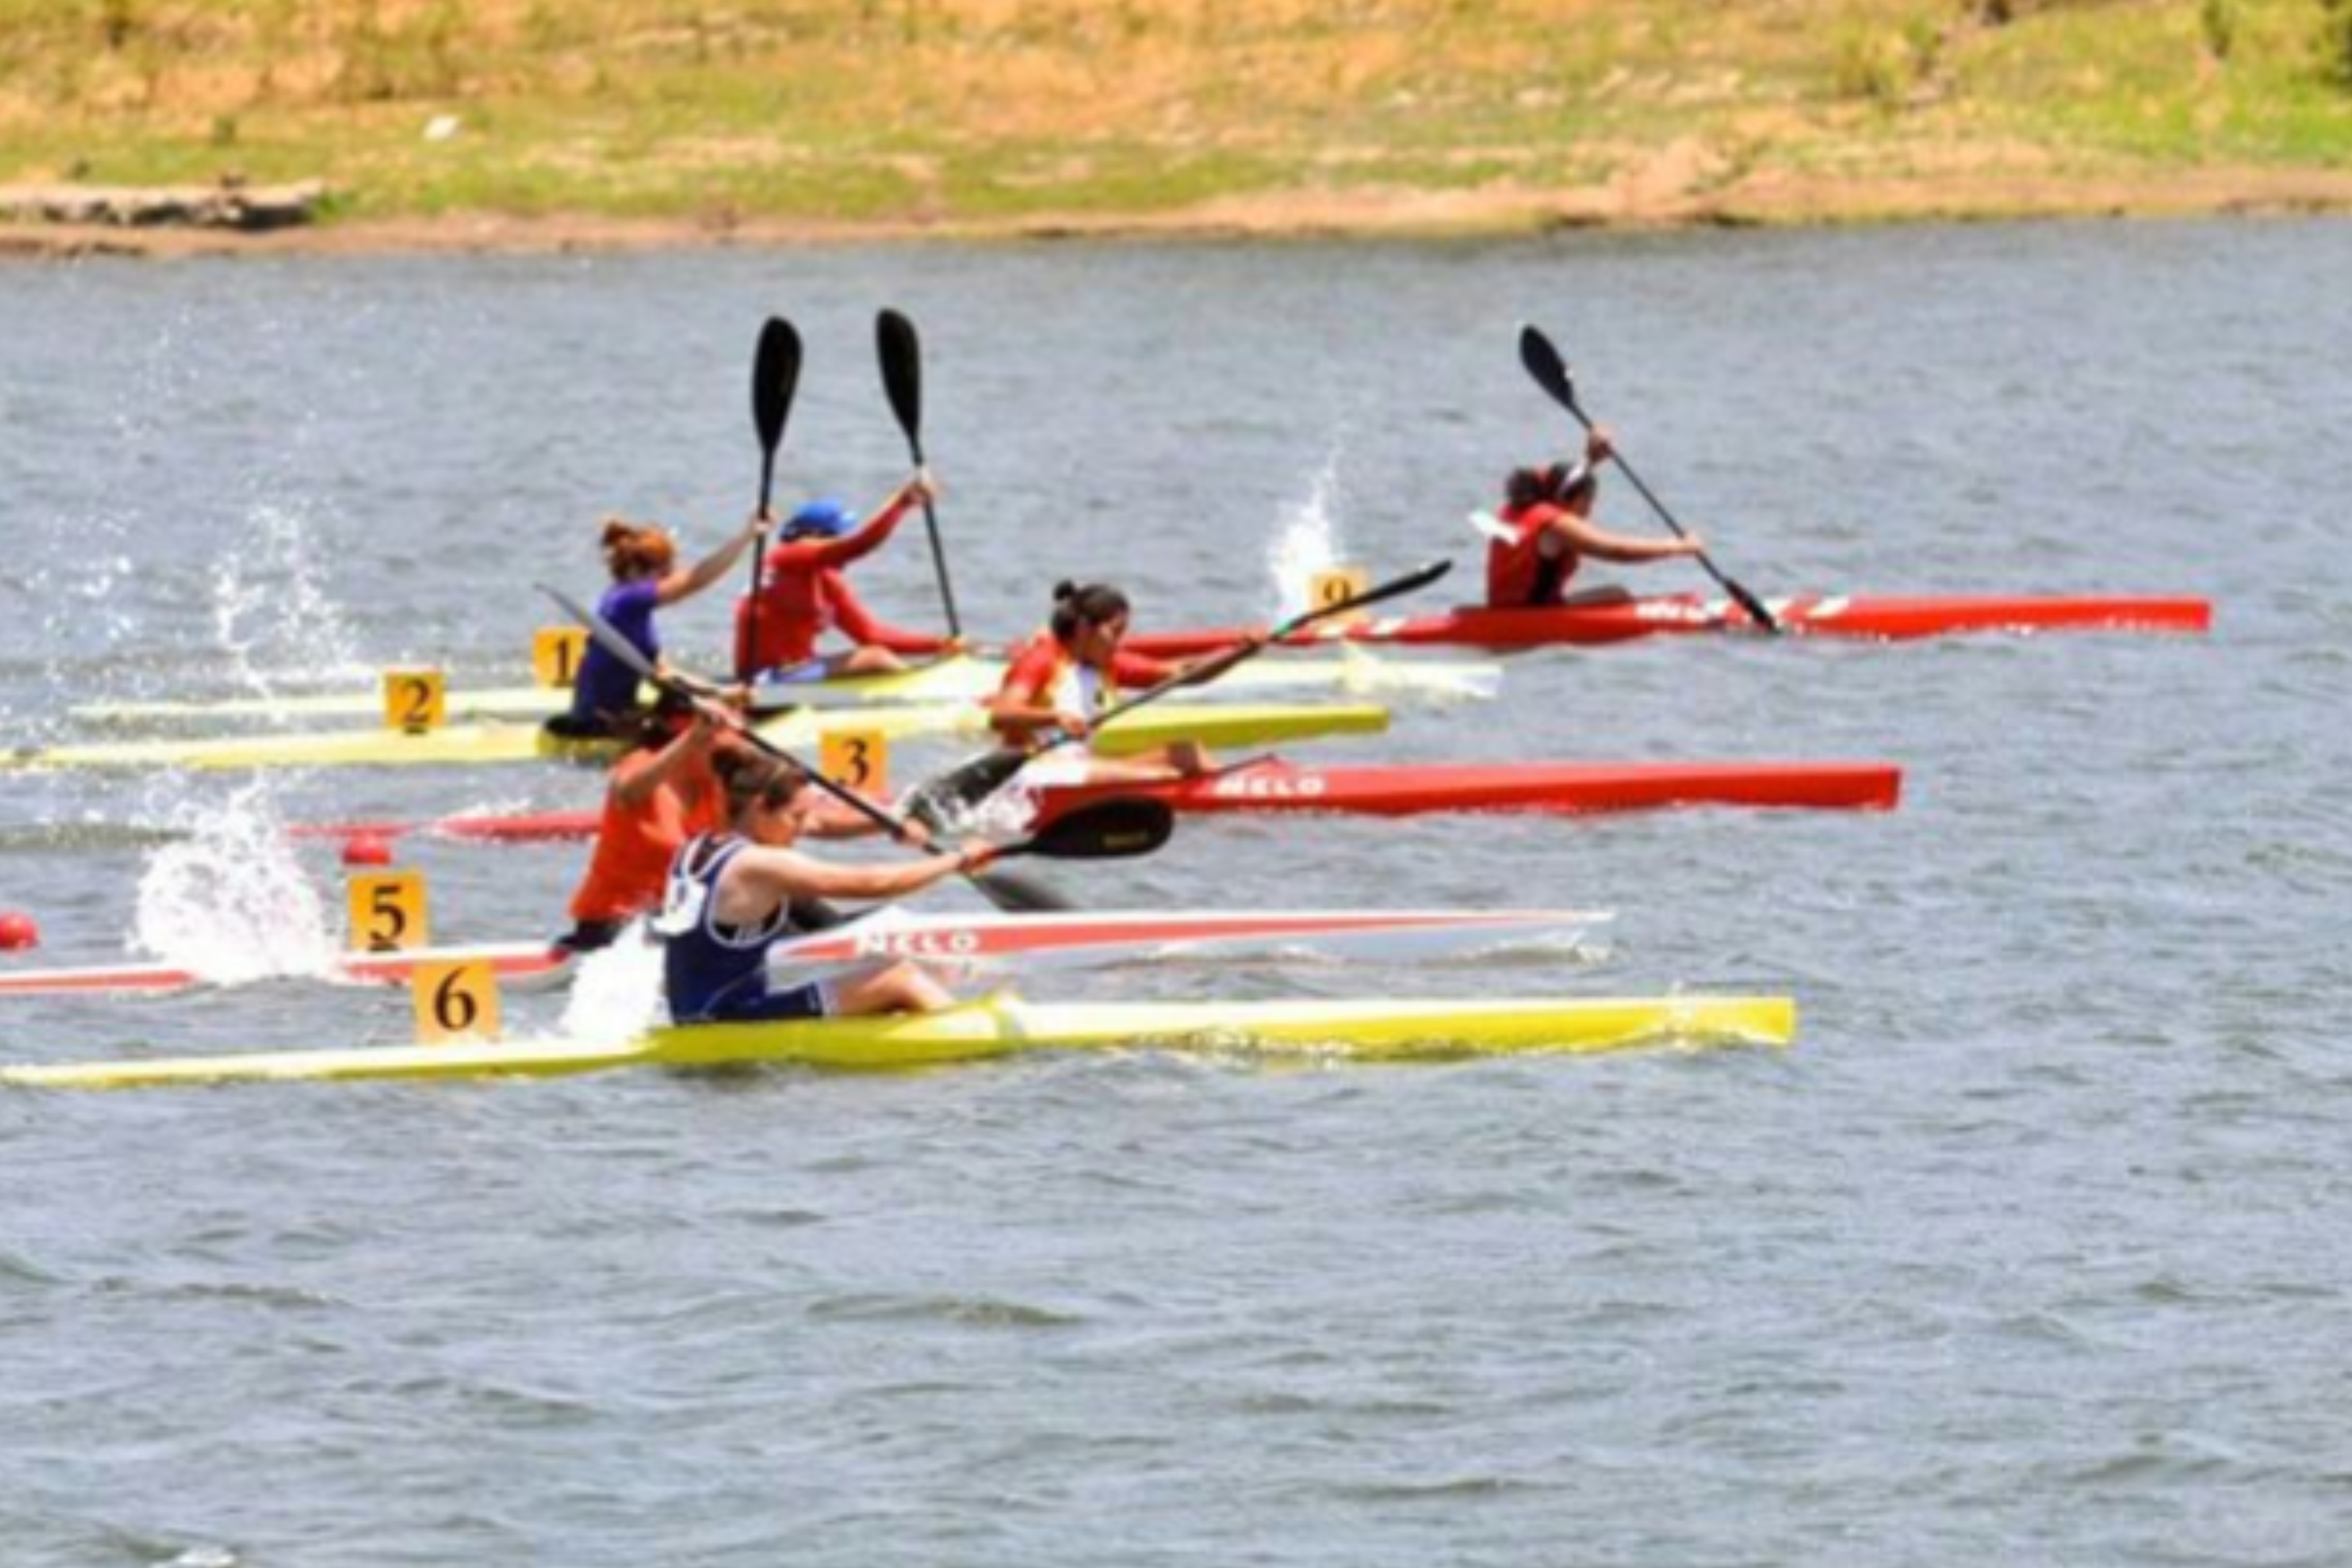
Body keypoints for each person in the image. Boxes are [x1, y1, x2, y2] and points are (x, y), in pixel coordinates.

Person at [657, 749, 993, 1024]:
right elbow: (874, 883)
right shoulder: (760, 864)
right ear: (761, 809)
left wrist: (897, 822)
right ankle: (978, 1040)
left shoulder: (699, 847)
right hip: (729, 1017)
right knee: (900, 976)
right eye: (797, 817)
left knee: (897, 960)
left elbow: (823, 822)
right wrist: (956, 860)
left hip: (697, 1009)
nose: (804, 828)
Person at [556, 693, 877, 954]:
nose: (732, 748)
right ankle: (822, 953)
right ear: (688, 735)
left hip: (689, 918)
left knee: (786, 893)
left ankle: (855, 938)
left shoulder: (719, 783)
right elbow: (627, 792)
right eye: (719, 739)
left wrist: (893, 822)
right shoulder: (642, 768)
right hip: (618, 926)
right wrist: (694, 739)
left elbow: (808, 820)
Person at [550, 510, 769, 739]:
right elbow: (695, 580)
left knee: (685, 704)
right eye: (664, 574)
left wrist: (721, 693)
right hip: (598, 724)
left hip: (612, 713)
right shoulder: (627, 600)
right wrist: (746, 538)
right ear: (634, 570)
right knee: (692, 714)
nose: (669, 581)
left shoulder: (627, 608)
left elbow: (664, 675)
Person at [985, 580, 1224, 787]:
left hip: (1078, 766)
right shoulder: (1041, 659)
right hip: (1032, 771)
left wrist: (1242, 651)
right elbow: (1002, 714)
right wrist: (1056, 717)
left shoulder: (1108, 664)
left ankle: (1232, 791)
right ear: (1084, 628)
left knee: (1189, 754)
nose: (1118, 643)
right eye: (1115, 632)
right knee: (1165, 777)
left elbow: (1185, 674)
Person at [732, 473, 954, 688]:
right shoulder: (789, 555)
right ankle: (923, 698)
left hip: (796, 673)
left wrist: (943, 644)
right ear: (815, 537)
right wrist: (903, 501)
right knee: (875, 660)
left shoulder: (826, 580)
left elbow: (871, 635)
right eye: (838, 537)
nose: (841, 546)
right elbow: (860, 546)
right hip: (761, 681)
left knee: (875, 657)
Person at [1485, 427, 1706, 609]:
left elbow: (1563, 483)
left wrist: (1590, 458)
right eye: (1587, 505)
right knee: (1618, 596)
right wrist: (1679, 546)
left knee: (1615, 594)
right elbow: (1617, 551)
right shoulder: (1556, 525)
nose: (1588, 514)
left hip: (1504, 613)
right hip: (1532, 620)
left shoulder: (1519, 508)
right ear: (1567, 501)